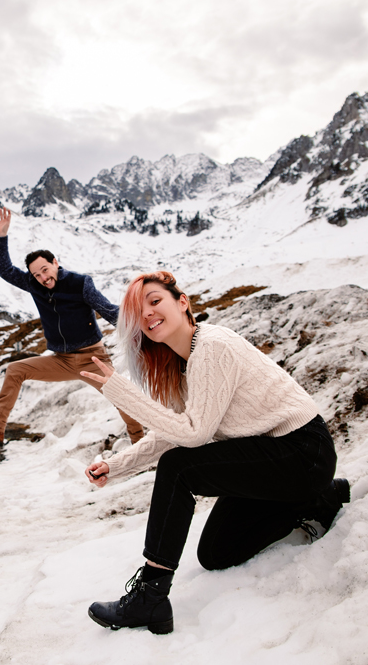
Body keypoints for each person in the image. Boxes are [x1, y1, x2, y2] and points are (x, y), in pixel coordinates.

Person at [80, 270, 349, 635]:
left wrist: (123, 394)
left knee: (178, 468)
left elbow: (194, 435)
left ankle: (151, 596)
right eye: (138, 313)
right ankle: (317, 501)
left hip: (302, 453)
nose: (148, 315)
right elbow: (172, 432)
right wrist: (115, 466)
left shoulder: (213, 345)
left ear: (182, 302)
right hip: (270, 460)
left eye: (155, 301)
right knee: (217, 554)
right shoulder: (183, 363)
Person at [0, 207, 145, 445]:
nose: (43, 278)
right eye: (36, 275)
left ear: (55, 263)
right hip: (60, 360)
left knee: (122, 398)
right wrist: (2, 236)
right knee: (15, 370)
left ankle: (140, 442)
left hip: (92, 358)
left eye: (45, 270)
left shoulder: (80, 283)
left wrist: (142, 329)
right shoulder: (33, 284)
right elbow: (6, 271)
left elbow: (108, 309)